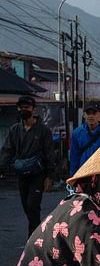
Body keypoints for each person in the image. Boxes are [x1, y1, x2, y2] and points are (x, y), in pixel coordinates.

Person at [0, 95, 55, 237]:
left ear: (34, 110)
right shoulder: (14, 130)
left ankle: (34, 238)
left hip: (38, 174)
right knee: (26, 206)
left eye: (27, 107)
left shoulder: (43, 130)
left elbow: (49, 154)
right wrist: (1, 167)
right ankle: (37, 234)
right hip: (21, 174)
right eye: (21, 107)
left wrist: (50, 176)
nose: (24, 110)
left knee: (32, 206)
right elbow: (7, 150)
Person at [69, 101, 100, 176]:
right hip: (82, 174)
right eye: (88, 113)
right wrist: (73, 176)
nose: (91, 116)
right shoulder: (77, 133)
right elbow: (74, 157)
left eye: (94, 113)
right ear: (84, 115)